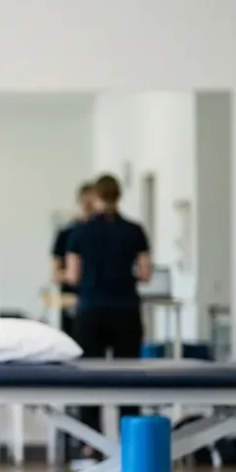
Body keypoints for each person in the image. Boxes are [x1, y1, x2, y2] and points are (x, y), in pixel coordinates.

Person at [64, 173, 151, 442]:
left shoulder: (80, 232)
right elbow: (146, 273)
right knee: (129, 378)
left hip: (91, 311)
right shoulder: (134, 230)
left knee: (89, 378)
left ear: (96, 197)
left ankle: (91, 444)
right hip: (126, 310)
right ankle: (131, 441)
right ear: (119, 196)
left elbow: (73, 276)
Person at [50, 181, 98, 336]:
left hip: (96, 300)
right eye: (86, 204)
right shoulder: (66, 233)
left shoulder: (104, 234)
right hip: (72, 299)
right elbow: (56, 274)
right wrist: (74, 276)